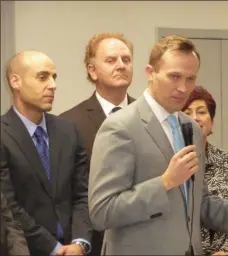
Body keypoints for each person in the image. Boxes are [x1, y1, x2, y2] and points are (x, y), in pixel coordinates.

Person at [88, 35, 228, 255]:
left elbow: (199, 203)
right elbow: (102, 211)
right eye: (174, 76)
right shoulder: (120, 126)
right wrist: (165, 183)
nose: (183, 87)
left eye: (190, 79)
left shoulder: (191, 129)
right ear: (150, 73)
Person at [1, 51, 92, 256]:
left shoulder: (69, 130)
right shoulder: (3, 134)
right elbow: (9, 205)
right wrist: (53, 248)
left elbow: (82, 194)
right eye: (42, 77)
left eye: (54, 77)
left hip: (74, 248)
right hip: (26, 248)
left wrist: (80, 242)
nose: (52, 85)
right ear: (15, 81)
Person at [60, 32, 135, 256]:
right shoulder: (69, 123)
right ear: (92, 70)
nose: (121, 65)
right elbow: (69, 191)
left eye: (126, 59)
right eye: (111, 60)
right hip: (92, 240)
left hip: (143, 237)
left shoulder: (148, 117)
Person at [182, 86, 228, 255]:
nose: (194, 118)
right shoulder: (170, 162)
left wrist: (226, 251)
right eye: (187, 112)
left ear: (211, 121)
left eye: (201, 112)